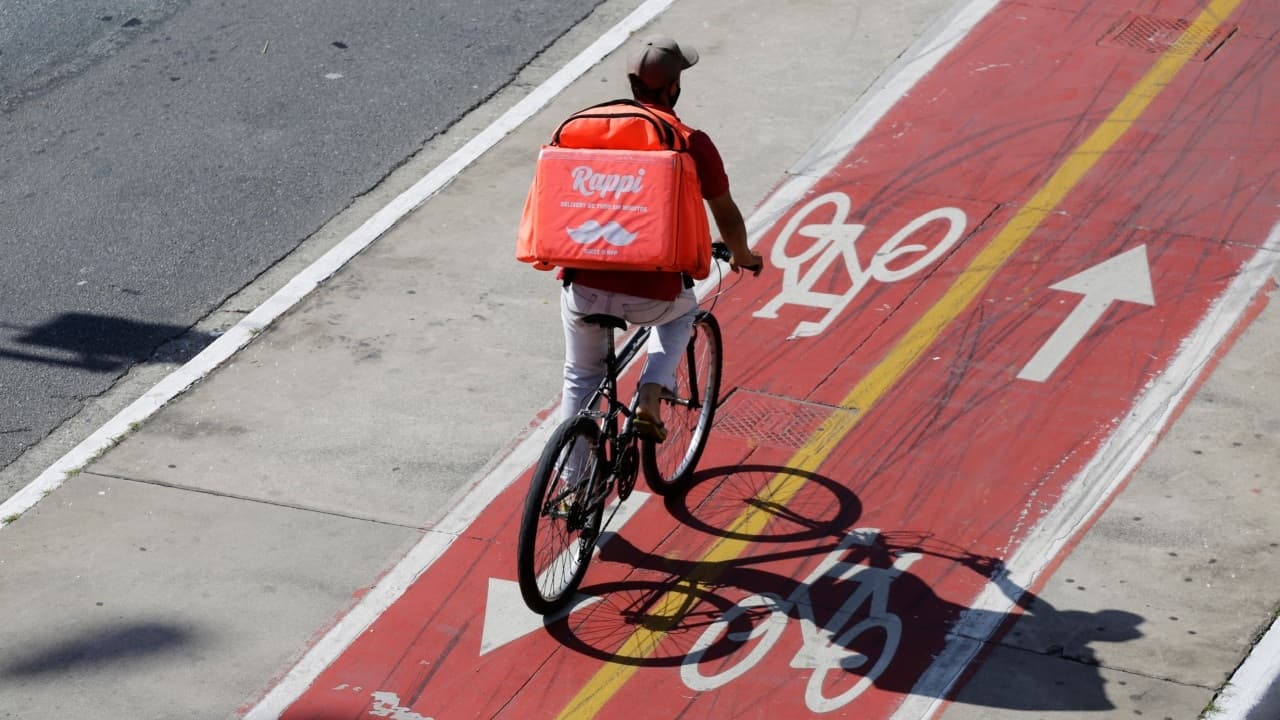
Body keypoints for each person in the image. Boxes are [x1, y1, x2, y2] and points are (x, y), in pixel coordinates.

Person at [559, 35, 763, 441]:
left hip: (580, 282)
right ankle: (650, 394)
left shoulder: (588, 128)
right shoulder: (690, 141)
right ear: (673, 87)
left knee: (581, 377)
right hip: (653, 293)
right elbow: (725, 213)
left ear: (632, 84)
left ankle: (570, 490)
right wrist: (743, 254)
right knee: (684, 314)